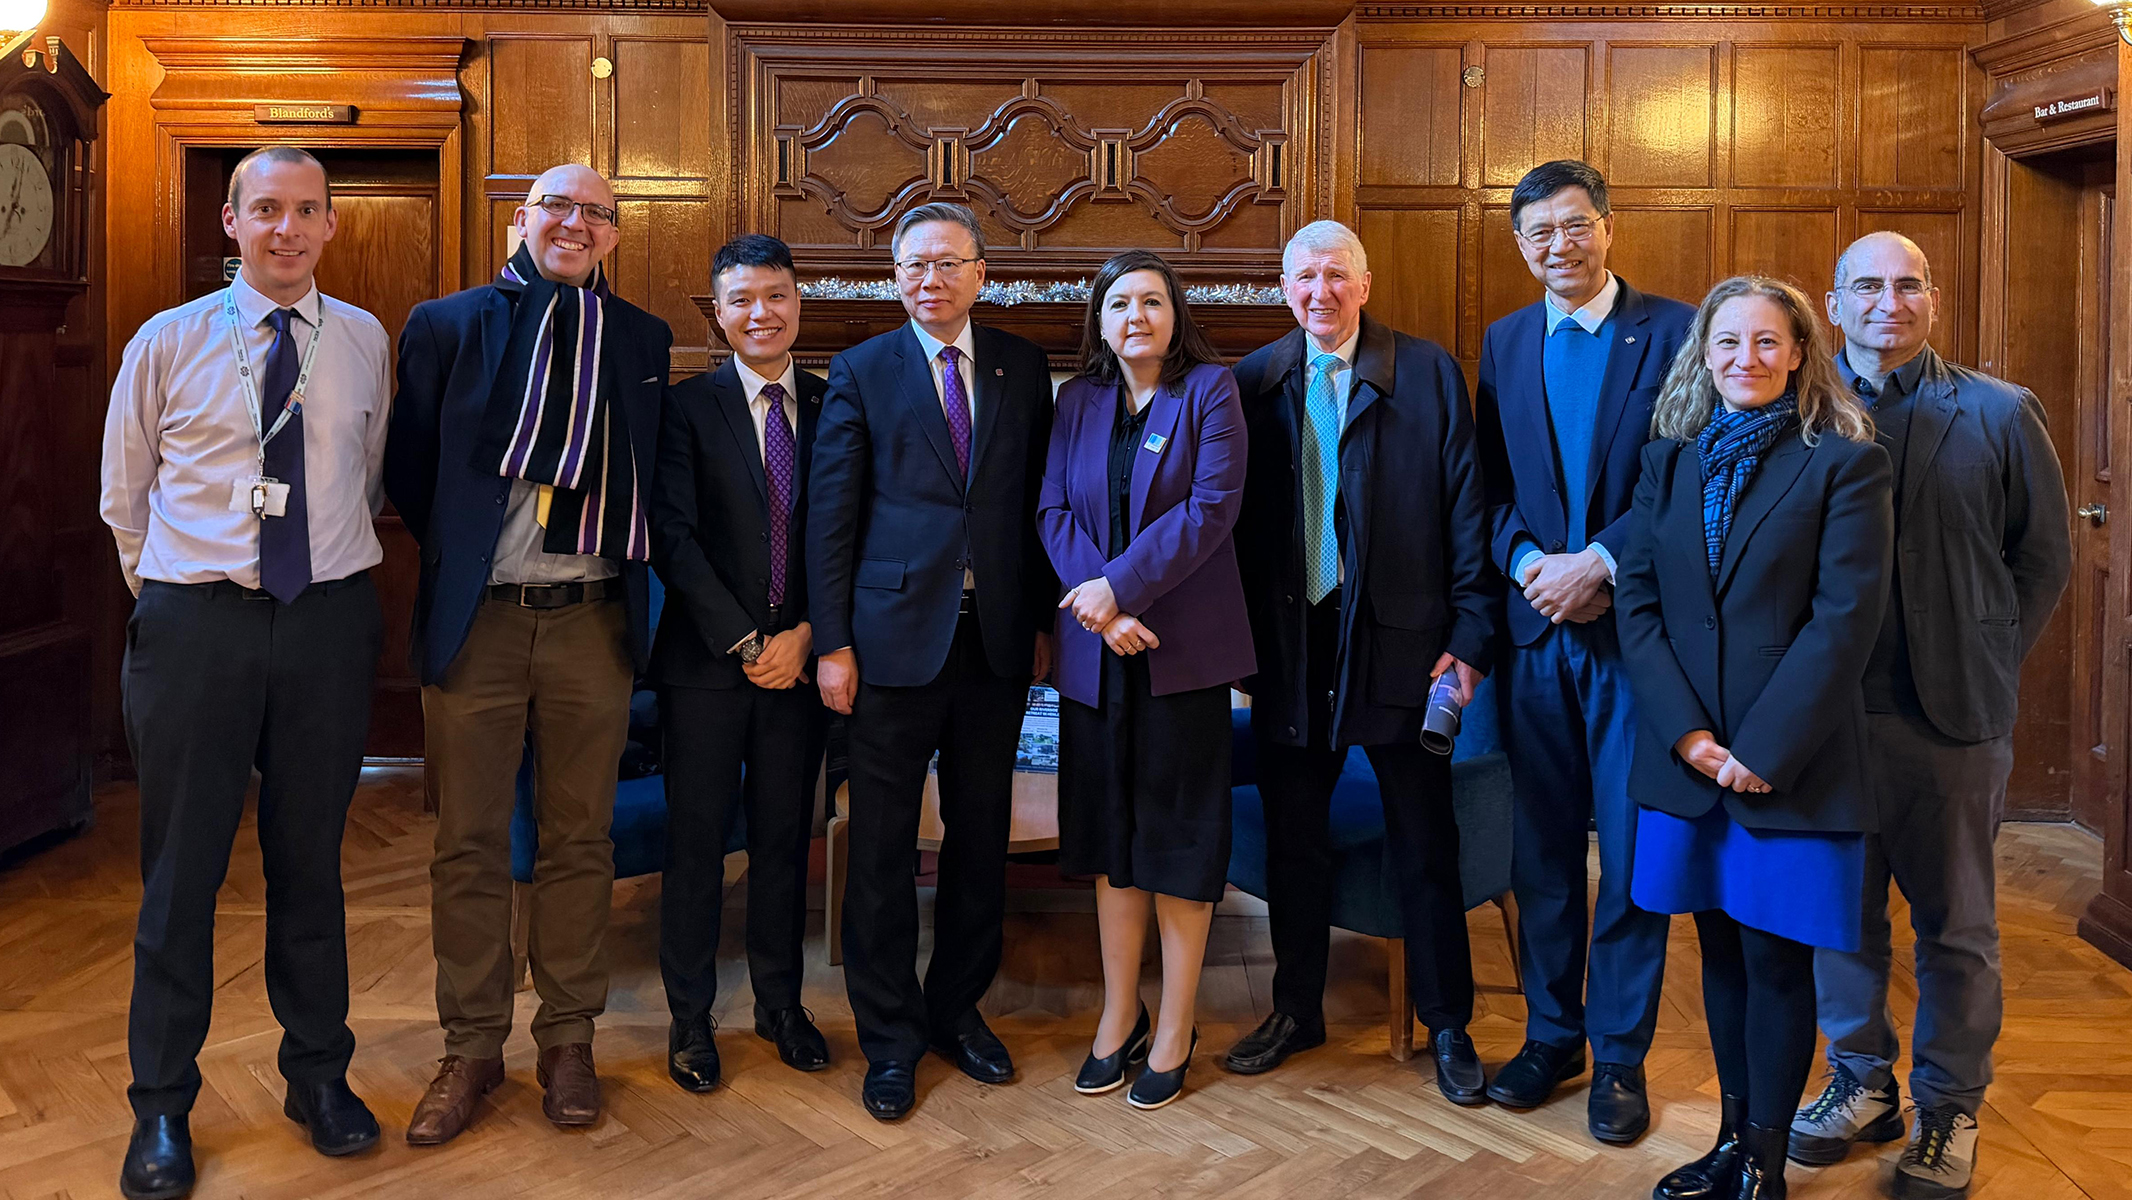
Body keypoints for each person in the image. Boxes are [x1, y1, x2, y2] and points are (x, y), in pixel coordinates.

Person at [101, 145, 392, 1199]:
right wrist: (188, 597)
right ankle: (162, 1109)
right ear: (231, 222)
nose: (287, 228)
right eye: (265, 208)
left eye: (306, 210)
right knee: (181, 876)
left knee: (310, 863)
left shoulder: (361, 338)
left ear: (328, 225)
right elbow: (124, 498)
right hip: (197, 631)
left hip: (325, 624)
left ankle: (318, 1077)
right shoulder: (167, 341)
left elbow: (359, 475)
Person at [384, 163, 674, 1143]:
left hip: (593, 619)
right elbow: (414, 473)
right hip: (483, 621)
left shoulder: (640, 339)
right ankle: (469, 1046)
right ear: (522, 218)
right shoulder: (448, 324)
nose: (576, 225)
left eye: (597, 214)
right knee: (467, 842)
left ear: (613, 237)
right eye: (559, 207)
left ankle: (567, 1039)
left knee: (577, 842)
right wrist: (476, 565)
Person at [1791, 232, 2070, 1199]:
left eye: (1908, 285)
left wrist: (1985, 652)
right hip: (1829, 725)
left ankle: (1951, 1104)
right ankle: (1862, 1080)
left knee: (1956, 926)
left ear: (1934, 300)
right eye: (1868, 285)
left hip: (1951, 722)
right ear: (1835, 304)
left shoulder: (1999, 413)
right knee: (1841, 917)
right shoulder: (1800, 415)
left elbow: (2044, 559)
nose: (1889, 301)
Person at [1616, 275, 1894, 1200]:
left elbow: (1844, 621)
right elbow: (1641, 603)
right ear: (1704, 354)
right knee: (1720, 956)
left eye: (1767, 343)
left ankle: (1765, 1169)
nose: (1746, 359)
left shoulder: (1844, 462)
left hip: (1793, 764)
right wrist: (1689, 735)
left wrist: (1758, 753)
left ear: (1800, 354)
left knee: (1776, 961)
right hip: (1689, 761)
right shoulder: (1670, 459)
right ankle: (1732, 1142)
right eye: (1727, 343)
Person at [1225, 220, 1499, 1103]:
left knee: (1426, 842)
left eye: (1336, 275)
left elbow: (1468, 509)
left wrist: (1469, 636)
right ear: (1283, 287)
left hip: (1402, 647)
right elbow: (1227, 529)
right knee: (1296, 843)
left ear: (1365, 284)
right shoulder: (1254, 380)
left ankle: (1449, 1022)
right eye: (1304, 276)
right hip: (1289, 648)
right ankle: (1296, 1008)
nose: (1320, 292)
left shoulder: (1424, 373)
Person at [806, 201, 1056, 1121]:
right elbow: (828, 518)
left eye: (949, 263)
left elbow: (1035, 505)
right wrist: (832, 640)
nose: (930, 280)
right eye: (914, 265)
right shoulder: (863, 369)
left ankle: (957, 1010)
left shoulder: (1021, 365)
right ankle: (890, 1037)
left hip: (992, 647)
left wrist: (1037, 624)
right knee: (876, 850)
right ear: (895, 276)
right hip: (885, 647)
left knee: (979, 840)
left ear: (981, 273)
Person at [1472, 159, 1694, 1139]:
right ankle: (1549, 1032)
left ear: (1605, 226)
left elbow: (1679, 480)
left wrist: (1597, 562)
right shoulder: (1504, 341)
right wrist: (1527, 560)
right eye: (1536, 235)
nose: (1556, 246)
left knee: (1632, 851)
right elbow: (1484, 489)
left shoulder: (1675, 332)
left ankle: (1618, 1057)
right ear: (1519, 248)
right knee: (1542, 853)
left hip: (1628, 635)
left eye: (1572, 226)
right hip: (1532, 634)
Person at [1040, 250, 1256, 1111]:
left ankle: (1175, 1024)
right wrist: (1101, 608)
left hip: (1181, 654)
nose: (1136, 315)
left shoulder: (1211, 391)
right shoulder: (1078, 402)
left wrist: (1118, 589)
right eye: (1120, 302)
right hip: (1098, 656)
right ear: (1099, 318)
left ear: (1176, 315)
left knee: (1177, 840)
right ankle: (1117, 1013)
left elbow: (1212, 510)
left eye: (1153, 301)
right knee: (1110, 839)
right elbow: (1051, 509)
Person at [650, 234, 831, 1093]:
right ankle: (689, 1019)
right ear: (717, 314)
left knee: (784, 842)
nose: (761, 314)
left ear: (798, 303)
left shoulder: (837, 407)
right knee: (695, 848)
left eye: (776, 297)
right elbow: (673, 540)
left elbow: (848, 540)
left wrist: (804, 635)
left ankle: (780, 1003)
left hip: (802, 666)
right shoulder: (685, 411)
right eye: (741, 301)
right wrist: (749, 641)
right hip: (707, 669)